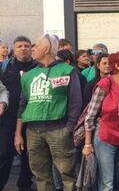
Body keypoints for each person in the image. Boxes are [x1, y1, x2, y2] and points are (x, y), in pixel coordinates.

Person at [15, 34, 82, 191]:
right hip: (33, 131)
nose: (32, 50)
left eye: (35, 46)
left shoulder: (67, 71)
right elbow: (22, 105)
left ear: (46, 48)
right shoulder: (28, 76)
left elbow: (75, 103)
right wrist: (18, 133)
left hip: (59, 129)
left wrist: (69, 128)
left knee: (67, 174)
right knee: (41, 174)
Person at [82, 51, 119, 191]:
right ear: (118, 66)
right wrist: (88, 144)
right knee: (107, 183)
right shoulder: (105, 83)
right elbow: (90, 116)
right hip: (105, 138)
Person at [0, 36, 36, 191]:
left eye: (26, 45)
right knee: (4, 155)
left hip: (31, 118)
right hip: (8, 117)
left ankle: (24, 186)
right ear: (14, 49)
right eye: (20, 46)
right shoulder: (4, 67)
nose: (23, 48)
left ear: (31, 48)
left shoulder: (38, 67)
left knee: (28, 156)